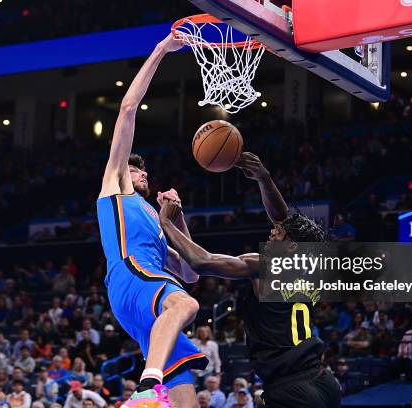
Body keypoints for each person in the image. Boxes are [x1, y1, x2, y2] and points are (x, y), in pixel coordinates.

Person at [159, 152, 341, 408]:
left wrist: (166, 222)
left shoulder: (264, 266)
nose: (272, 231)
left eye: (278, 235)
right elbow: (283, 220)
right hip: (323, 382)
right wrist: (264, 179)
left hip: (291, 388)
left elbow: (202, 262)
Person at [96, 32, 207, 407]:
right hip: (131, 277)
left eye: (143, 171)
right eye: (134, 169)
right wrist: (162, 50)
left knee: (187, 400)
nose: (141, 174)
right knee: (186, 305)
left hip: (150, 307)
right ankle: (145, 388)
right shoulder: (116, 188)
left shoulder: (157, 223)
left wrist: (176, 220)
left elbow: (192, 273)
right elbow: (128, 109)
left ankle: (153, 385)